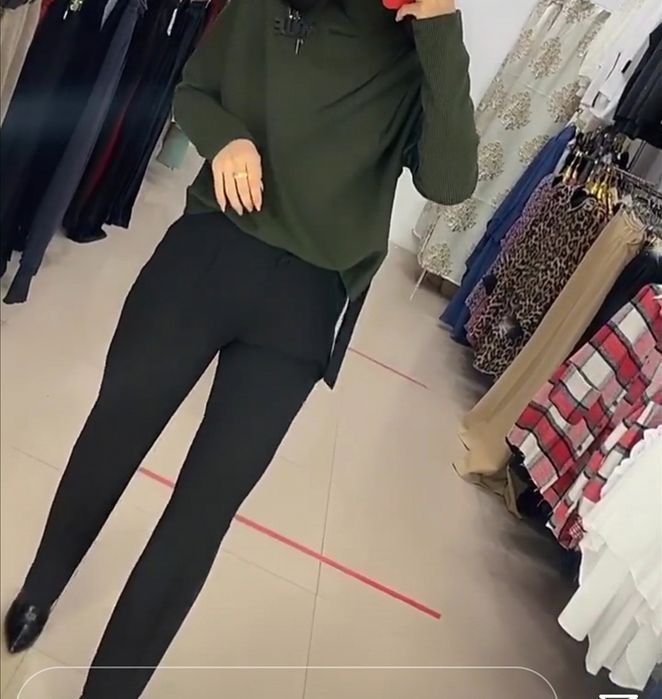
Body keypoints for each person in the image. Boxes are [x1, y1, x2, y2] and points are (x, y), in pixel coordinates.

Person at [4, 0, 478, 696]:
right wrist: (226, 139)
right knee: (114, 432)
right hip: (206, 254)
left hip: (304, 305)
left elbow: (450, 180)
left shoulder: (420, 50)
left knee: (203, 511)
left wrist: (442, 24)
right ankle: (41, 587)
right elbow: (194, 88)